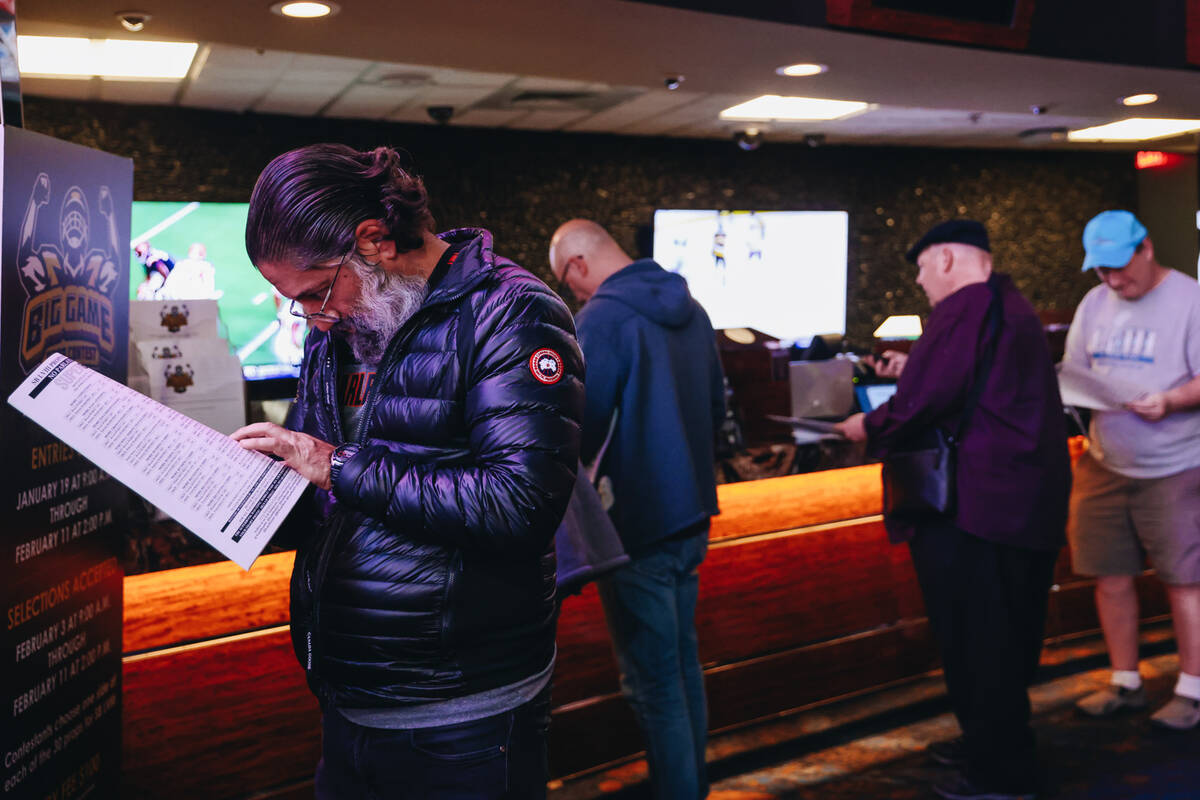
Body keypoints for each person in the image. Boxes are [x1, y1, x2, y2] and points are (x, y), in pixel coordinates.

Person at [230, 144, 584, 799]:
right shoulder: (334, 331)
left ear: (372, 242)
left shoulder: (511, 312)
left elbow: (520, 507)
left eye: (313, 292)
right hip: (351, 695)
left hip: (465, 712)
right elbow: (326, 494)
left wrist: (333, 464)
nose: (312, 315)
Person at [835, 220, 1070, 800]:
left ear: (945, 259)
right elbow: (967, 384)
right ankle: (992, 747)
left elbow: (930, 398)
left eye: (919, 268)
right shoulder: (1007, 305)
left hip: (976, 509)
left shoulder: (965, 307)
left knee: (979, 640)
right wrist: (909, 369)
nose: (919, 281)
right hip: (1020, 507)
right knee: (1005, 636)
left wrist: (868, 424)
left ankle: (1002, 773)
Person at [548, 219, 725, 799]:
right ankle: (692, 785)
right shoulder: (692, 309)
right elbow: (718, 406)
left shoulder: (602, 318)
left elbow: (577, 423)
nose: (574, 295)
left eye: (567, 283)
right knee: (682, 666)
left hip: (636, 523)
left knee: (654, 683)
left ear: (577, 265)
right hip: (693, 512)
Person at [1063, 210, 1200, 731]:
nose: (1114, 280)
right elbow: (1078, 370)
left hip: (1176, 464)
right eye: (1102, 271)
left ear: (1146, 248)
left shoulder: (1189, 299)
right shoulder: (1094, 303)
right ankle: (1126, 682)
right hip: (1105, 461)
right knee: (1109, 575)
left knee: (1185, 580)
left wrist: (1168, 400)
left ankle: (1192, 691)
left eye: (1121, 267)